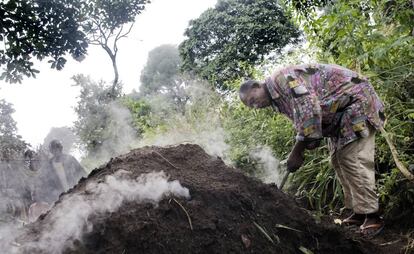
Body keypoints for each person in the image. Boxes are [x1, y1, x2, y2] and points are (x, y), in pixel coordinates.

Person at [239, 63, 385, 236]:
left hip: (357, 103)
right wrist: (309, 141)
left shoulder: (282, 79)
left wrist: (297, 150)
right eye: (251, 106)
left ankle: (373, 216)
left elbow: (309, 109)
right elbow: (304, 122)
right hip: (340, 117)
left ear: (257, 86)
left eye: (253, 100)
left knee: (351, 157)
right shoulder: (277, 100)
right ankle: (360, 212)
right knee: (338, 160)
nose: (256, 106)